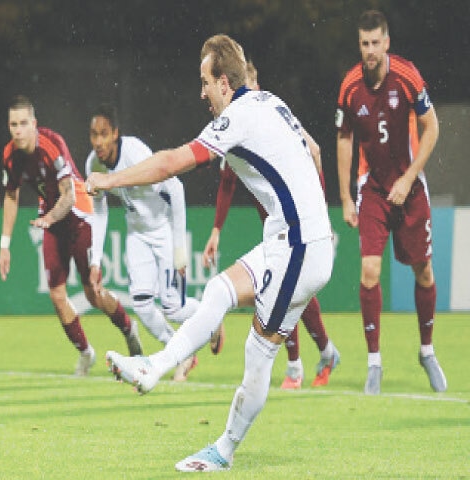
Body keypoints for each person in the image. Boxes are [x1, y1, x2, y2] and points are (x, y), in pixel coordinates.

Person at [87, 34, 333, 472]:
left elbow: (171, 163)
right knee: (219, 290)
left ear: (224, 82)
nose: (201, 93)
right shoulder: (270, 101)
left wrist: (109, 180)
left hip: (299, 246)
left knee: (258, 352)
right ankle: (154, 367)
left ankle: (223, 451)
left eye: (204, 82)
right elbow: (313, 150)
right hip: (290, 239)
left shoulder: (237, 117)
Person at [202, 60, 340, 389]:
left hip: (297, 222)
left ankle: (297, 364)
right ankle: (319, 354)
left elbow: (315, 150)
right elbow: (227, 181)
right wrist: (216, 229)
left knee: (284, 292)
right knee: (288, 293)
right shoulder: (236, 123)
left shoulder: (269, 112)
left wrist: (317, 209)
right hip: (276, 223)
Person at [336, 10, 446, 395]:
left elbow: (432, 127)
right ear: (360, 45)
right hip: (373, 189)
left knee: (424, 272)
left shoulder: (407, 75)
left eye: (375, 43)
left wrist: (410, 176)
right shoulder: (350, 87)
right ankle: (374, 363)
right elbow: (344, 138)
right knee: (369, 271)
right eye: (363, 44)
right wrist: (346, 196)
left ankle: (427, 351)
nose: (369, 50)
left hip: (410, 188)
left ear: (386, 42)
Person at [0, 95, 143, 376]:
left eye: (23, 123)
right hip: (51, 221)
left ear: (34, 124)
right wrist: (4, 244)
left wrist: (49, 218)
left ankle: (128, 328)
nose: (18, 130)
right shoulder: (10, 155)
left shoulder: (52, 145)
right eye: (13, 124)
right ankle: (86, 352)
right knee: (57, 295)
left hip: (79, 216)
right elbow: (11, 196)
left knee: (93, 293)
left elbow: (68, 196)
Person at [85, 103, 223, 383]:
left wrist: (179, 249)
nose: (98, 142)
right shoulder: (94, 165)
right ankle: (182, 354)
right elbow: (99, 212)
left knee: (173, 307)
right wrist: (95, 261)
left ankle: (213, 315)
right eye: (93, 135)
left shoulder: (135, 152)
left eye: (104, 134)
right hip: (136, 233)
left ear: (115, 133)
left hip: (163, 230)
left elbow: (176, 188)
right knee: (142, 306)